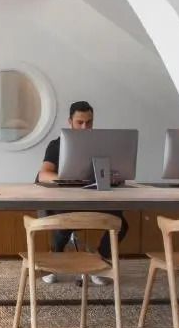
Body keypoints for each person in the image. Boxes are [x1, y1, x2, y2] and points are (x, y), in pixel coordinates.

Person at [35, 100, 128, 285]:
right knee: (65, 220)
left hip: (92, 199)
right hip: (63, 200)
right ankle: (54, 260)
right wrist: (69, 180)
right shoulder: (57, 145)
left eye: (89, 122)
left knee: (120, 223)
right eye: (80, 122)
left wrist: (113, 177)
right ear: (70, 121)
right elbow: (43, 174)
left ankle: (98, 261)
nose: (85, 127)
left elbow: (113, 171)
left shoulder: (100, 146)